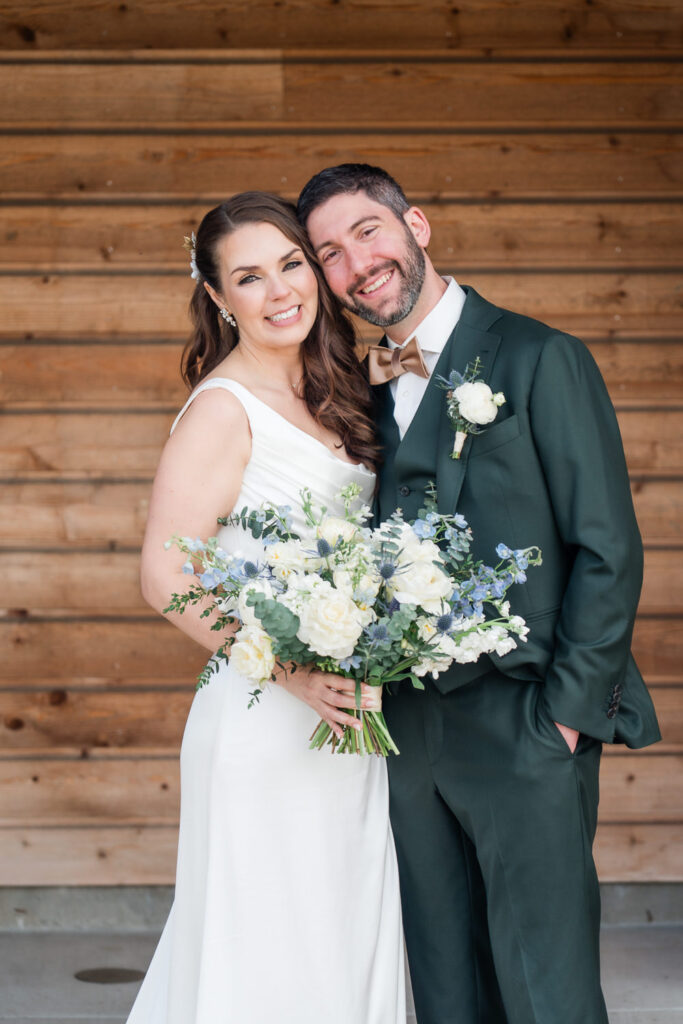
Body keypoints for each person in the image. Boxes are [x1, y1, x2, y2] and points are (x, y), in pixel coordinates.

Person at [298, 163, 661, 1024]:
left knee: (545, 987)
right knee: (444, 982)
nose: (357, 263)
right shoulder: (352, 393)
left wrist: (562, 721)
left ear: (415, 226)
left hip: (525, 716)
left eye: (367, 232)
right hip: (404, 729)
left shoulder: (539, 357)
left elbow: (606, 548)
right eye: (329, 254)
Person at [126, 192, 405, 1024]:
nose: (280, 290)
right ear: (219, 298)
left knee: (342, 935)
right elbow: (164, 575)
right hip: (266, 716)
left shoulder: (338, 389)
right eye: (249, 277)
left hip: (347, 712)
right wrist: (290, 671)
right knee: (268, 949)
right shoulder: (223, 408)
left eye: (291, 264)